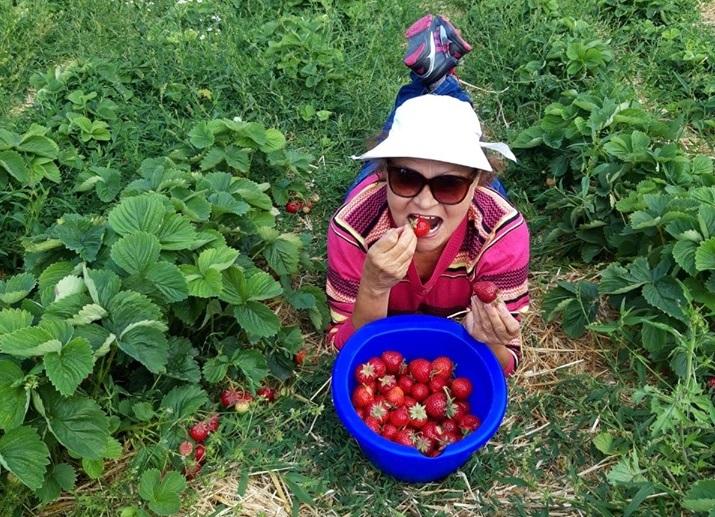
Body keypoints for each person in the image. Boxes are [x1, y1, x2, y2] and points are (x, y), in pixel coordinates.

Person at [326, 15, 530, 376]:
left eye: (449, 185)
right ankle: (431, 80)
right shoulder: (353, 228)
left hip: (474, 204)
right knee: (403, 128)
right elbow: (344, 346)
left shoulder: (501, 233)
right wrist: (372, 286)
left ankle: (436, 80)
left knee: (446, 130)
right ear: (386, 174)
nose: (423, 202)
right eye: (405, 178)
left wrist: (491, 337)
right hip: (377, 193)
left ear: (477, 182)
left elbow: (506, 361)